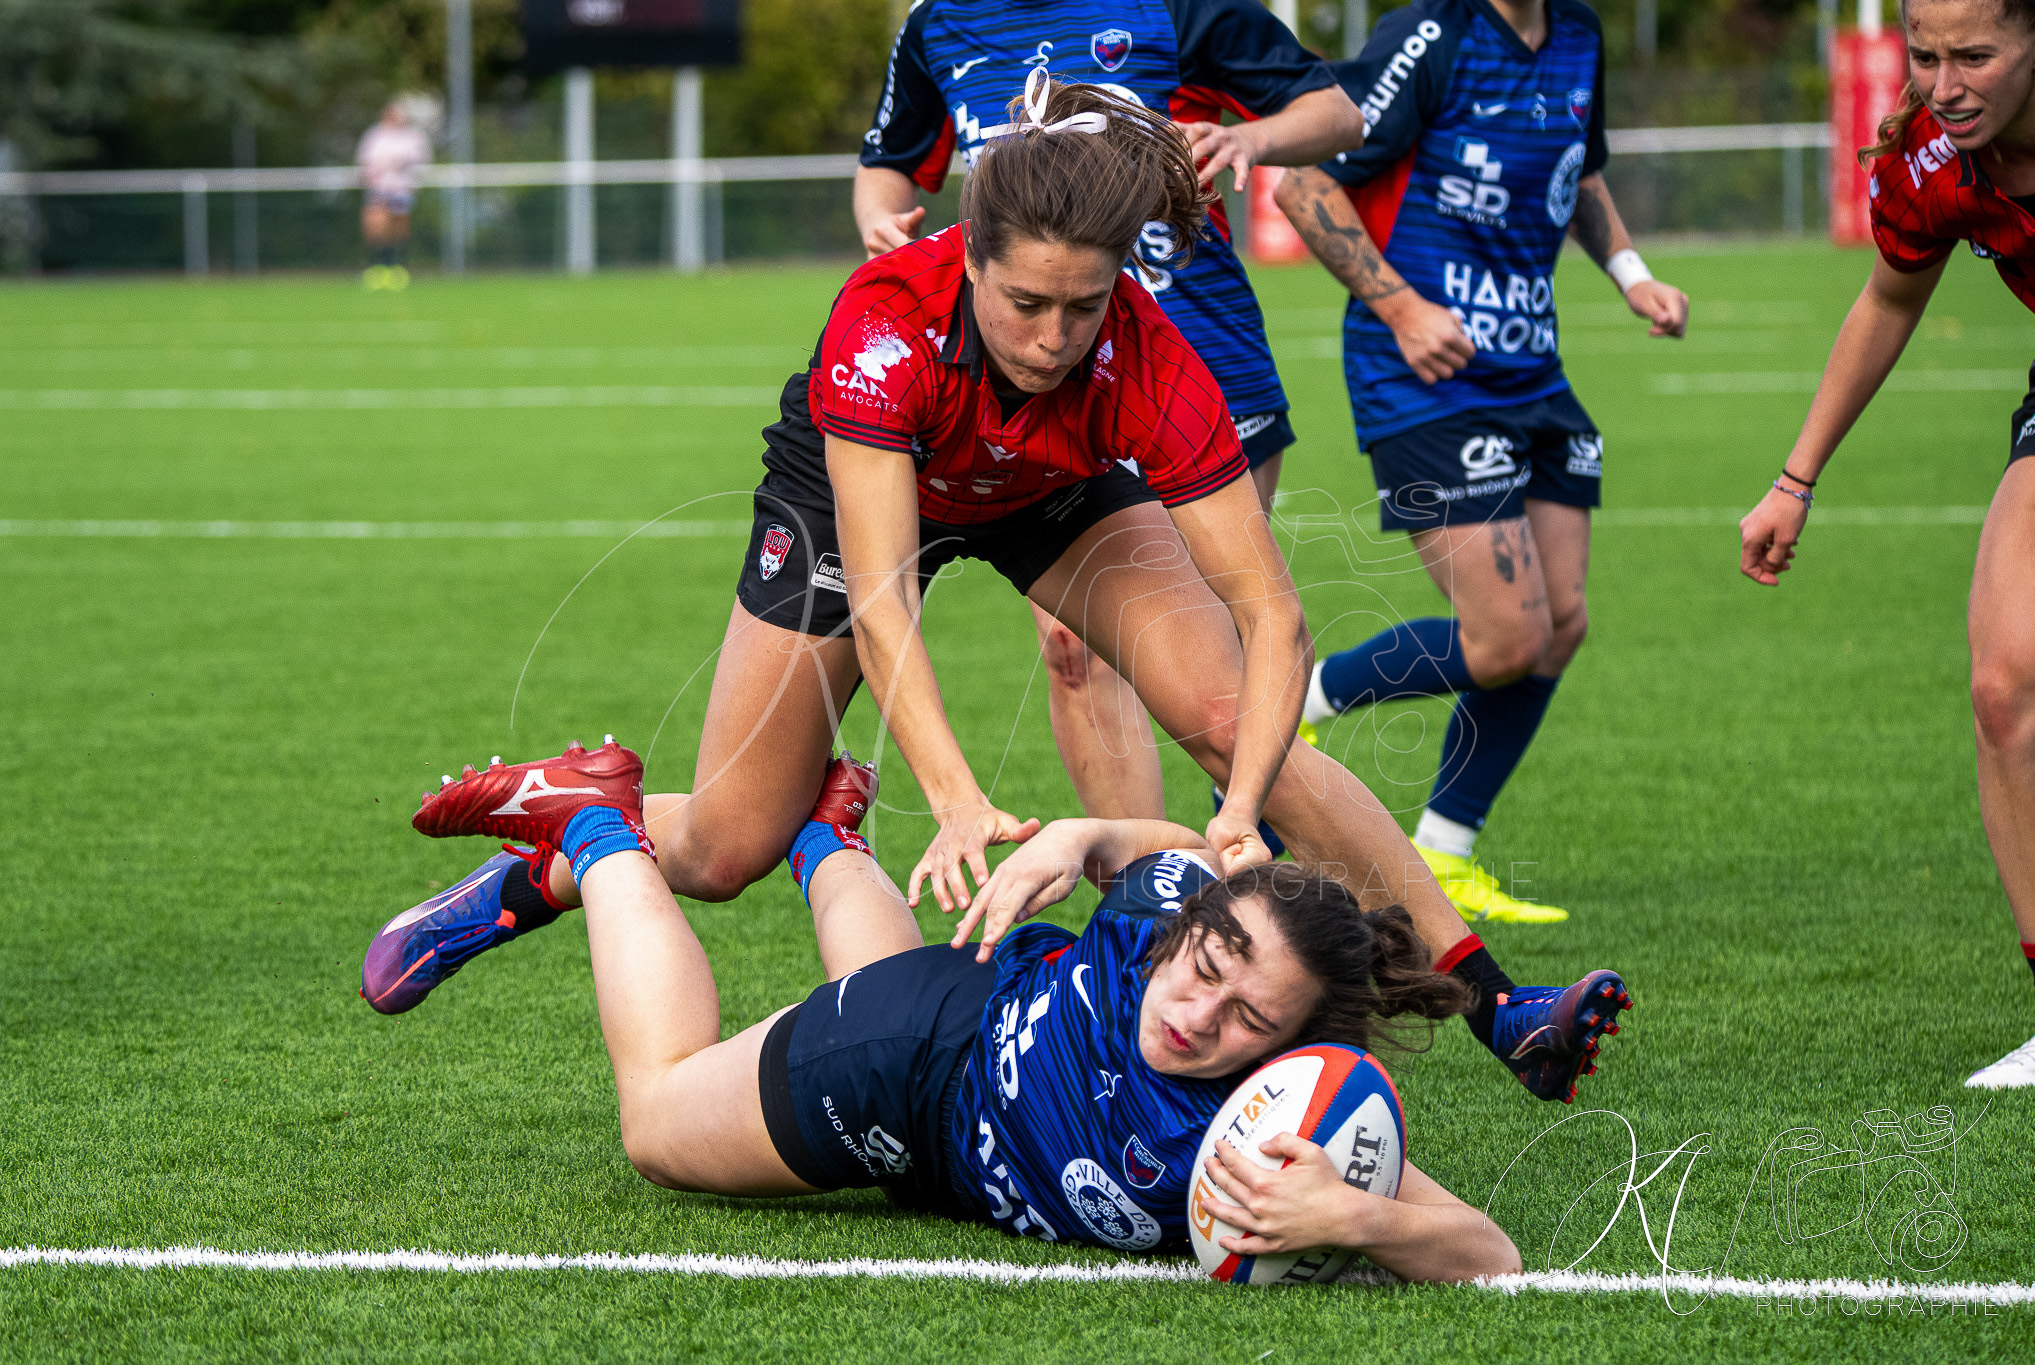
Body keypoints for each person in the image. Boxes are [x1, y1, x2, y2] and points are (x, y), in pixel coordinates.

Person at [389, 76, 1631, 1104]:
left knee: (1223, 715)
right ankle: (558, 843)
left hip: (1051, 491)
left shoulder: (1142, 351)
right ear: (967, 258)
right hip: (870, 492)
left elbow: (1271, 618)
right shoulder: (884, 325)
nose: (1051, 336)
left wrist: (1242, 808)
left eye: (1081, 307)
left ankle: (1496, 1005)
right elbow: (883, 600)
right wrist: (958, 799)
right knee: (722, 849)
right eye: (1024, 303)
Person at [366, 737, 1527, 1276]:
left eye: (1245, 1018)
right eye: (1205, 964)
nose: (1196, 1010)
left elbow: (1491, 1254)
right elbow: (1160, 850)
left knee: (872, 985)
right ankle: (595, 828)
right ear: (1190, 929)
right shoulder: (1168, 910)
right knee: (658, 1123)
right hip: (910, 1070)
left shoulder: (1278, 1118)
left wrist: (1356, 1217)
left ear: (1285, 1046)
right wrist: (1080, 836)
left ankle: (825, 835)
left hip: (953, 1048)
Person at [855, 0, 1367, 828]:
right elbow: (887, 163)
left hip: (1202, 368)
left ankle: (1243, 846)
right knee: (1073, 653)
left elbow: (1339, 111)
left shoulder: (1173, 5)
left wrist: (1249, 141)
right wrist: (880, 219)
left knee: (1229, 668)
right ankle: (1148, 897)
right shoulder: (938, 21)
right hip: (1052, 386)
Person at [1272, 0, 1689, 924]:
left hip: (1532, 372)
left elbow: (1579, 173)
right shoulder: (1432, 36)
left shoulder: (1579, 37)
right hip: (1423, 379)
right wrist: (1403, 310)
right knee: (1506, 637)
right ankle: (1296, 700)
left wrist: (1632, 276)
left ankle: (1446, 853)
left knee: (1562, 621)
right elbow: (1302, 184)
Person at [1739, 0, 2035, 1088]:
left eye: (1973, 55)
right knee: (2003, 687)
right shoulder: (1929, 160)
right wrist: (1793, 480)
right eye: (1922, 55)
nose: (1942, 82)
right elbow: (1887, 296)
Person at [356, 100, 431, 290]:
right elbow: (366, 161)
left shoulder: (412, 137)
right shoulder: (375, 135)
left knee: (399, 227)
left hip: (401, 189)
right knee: (376, 226)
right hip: (379, 188)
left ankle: (398, 267)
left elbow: (420, 161)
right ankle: (378, 267)